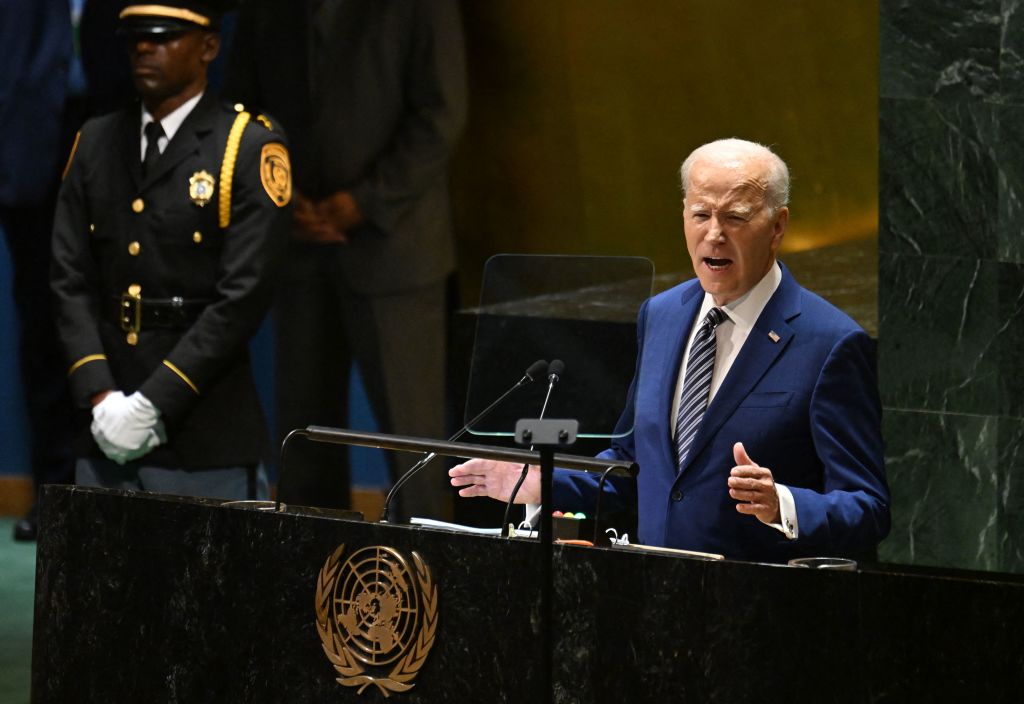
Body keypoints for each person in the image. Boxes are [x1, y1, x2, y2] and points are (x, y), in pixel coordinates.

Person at [450, 138, 891, 563]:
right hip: (653, 600)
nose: (714, 234)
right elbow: (632, 465)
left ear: (777, 226)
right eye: (700, 214)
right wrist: (545, 482)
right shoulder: (661, 315)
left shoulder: (830, 342)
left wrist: (782, 504)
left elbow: (867, 507)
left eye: (735, 217)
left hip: (758, 609)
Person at [223, 0, 467, 519]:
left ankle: (427, 584)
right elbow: (242, 112)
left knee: (414, 448)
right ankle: (309, 582)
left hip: (396, 248)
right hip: (298, 243)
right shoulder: (265, 10)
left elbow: (441, 114)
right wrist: (281, 198)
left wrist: (363, 202)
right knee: (304, 442)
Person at [51, 1, 291, 499]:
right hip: (104, 422)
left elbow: (242, 297)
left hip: (203, 427)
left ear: (209, 47)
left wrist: (151, 404)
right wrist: (101, 394)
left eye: (165, 35)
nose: (144, 46)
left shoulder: (244, 147)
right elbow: (69, 277)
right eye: (136, 35)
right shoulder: (95, 141)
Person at [1, 0, 77, 541]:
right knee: (44, 320)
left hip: (130, 136)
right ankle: (55, 493)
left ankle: (134, 495)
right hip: (31, 151)